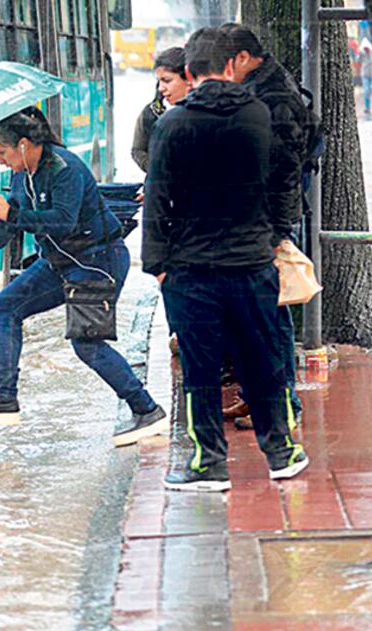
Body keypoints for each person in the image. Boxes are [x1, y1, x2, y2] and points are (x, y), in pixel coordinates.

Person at [143, 27, 308, 492]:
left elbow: (157, 199)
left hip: (191, 270)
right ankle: (283, 452)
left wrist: (157, 263)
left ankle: (207, 463)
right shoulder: (259, 115)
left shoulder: (172, 124)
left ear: (191, 73)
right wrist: (271, 238)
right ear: (230, 67)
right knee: (262, 360)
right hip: (253, 264)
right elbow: (283, 183)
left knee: (201, 369)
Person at [0, 106, 166, 446]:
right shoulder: (20, 171)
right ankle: (4, 398)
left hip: (98, 260)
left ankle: (145, 409)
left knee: (87, 345)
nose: (2, 159)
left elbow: (62, 221)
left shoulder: (65, 167)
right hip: (58, 262)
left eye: (2, 152)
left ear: (24, 144)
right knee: (4, 307)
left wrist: (13, 213)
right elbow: (9, 220)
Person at [220, 24, 312, 428]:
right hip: (256, 221)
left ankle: (283, 404)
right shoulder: (261, 87)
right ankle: (259, 396)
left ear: (242, 58)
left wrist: (276, 233)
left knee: (269, 319)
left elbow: (284, 172)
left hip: (265, 225)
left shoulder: (273, 98)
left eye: (224, 65)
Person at [131, 47, 190, 173]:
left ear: (188, 78)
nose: (161, 88)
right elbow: (138, 150)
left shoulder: (206, 115)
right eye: (159, 81)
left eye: (167, 80)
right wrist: (157, 169)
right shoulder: (152, 113)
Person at [359, 40, 372, 115]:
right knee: (366, 91)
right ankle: (367, 108)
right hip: (365, 74)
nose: (366, 50)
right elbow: (358, 60)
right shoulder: (362, 53)